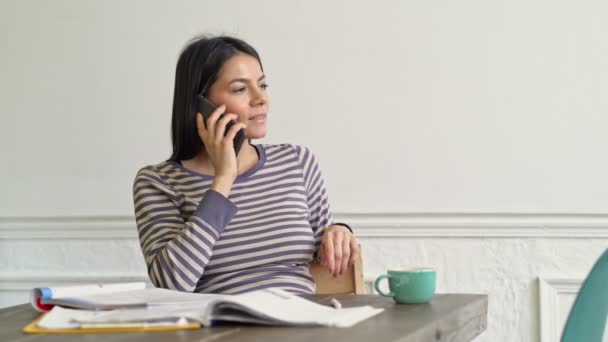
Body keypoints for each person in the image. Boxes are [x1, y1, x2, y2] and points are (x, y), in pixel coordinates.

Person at [132, 35, 359, 294]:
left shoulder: (296, 161)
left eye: (263, 85)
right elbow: (172, 282)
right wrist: (224, 178)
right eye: (240, 89)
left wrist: (339, 231)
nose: (260, 98)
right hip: (221, 330)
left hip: (300, 325)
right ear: (201, 104)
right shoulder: (157, 182)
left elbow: (324, 252)